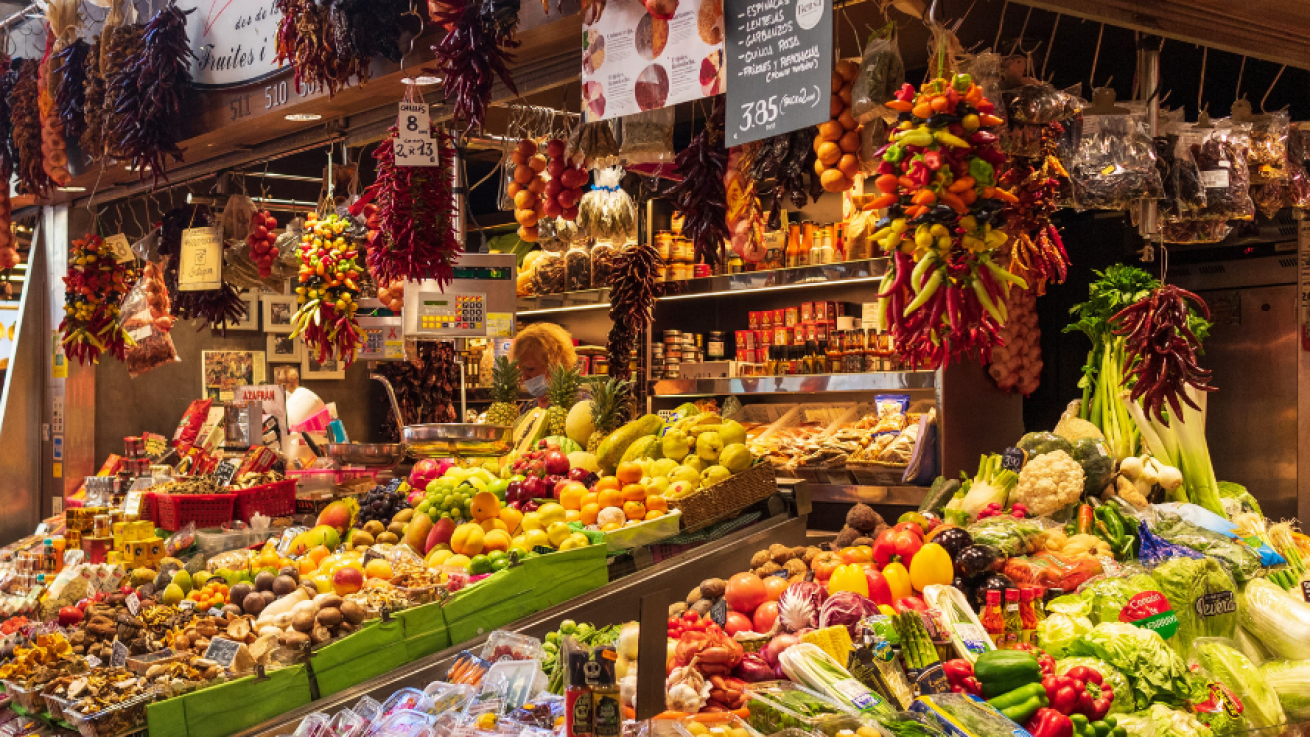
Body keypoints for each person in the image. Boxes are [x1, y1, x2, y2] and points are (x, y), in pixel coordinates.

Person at [510, 322, 577, 404]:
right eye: (521, 370)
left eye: (530, 369)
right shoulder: (530, 406)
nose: (523, 379)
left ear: (556, 365)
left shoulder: (578, 407)